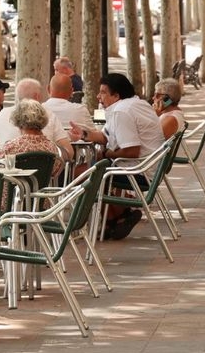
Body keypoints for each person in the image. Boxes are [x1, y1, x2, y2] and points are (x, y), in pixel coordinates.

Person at [69, 74, 165, 240]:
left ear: (116, 95)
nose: (99, 96)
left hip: (140, 172)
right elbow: (105, 136)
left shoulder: (121, 112)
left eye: (103, 92)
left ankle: (113, 217)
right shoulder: (135, 104)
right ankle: (116, 217)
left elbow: (131, 151)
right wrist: (84, 134)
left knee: (81, 173)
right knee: (94, 167)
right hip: (152, 167)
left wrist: (107, 153)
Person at [0, 78, 75, 161]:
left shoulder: (9, 148)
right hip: (46, 173)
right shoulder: (52, 149)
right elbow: (68, 153)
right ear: (43, 123)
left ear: (18, 124)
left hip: (9, 172)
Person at [0, 99, 63, 179]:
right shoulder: (51, 148)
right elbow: (55, 170)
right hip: (41, 189)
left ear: (18, 120)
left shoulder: (11, 147)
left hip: (14, 189)